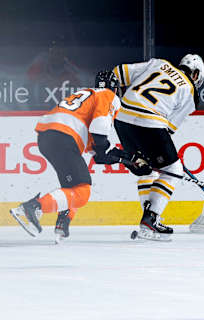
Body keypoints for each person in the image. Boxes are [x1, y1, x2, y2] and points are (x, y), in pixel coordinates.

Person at [9, 71, 128, 243]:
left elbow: (98, 153)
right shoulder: (108, 95)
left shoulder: (87, 95)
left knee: (75, 186)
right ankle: (34, 207)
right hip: (64, 137)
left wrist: (118, 158)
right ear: (115, 88)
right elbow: (100, 133)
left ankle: (62, 221)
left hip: (47, 136)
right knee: (83, 192)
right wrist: (116, 154)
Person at [112, 54, 204, 241]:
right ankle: (151, 219)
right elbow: (168, 129)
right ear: (195, 75)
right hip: (150, 123)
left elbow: (117, 74)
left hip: (122, 119)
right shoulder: (190, 92)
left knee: (146, 169)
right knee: (173, 169)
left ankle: (149, 218)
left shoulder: (158, 63)